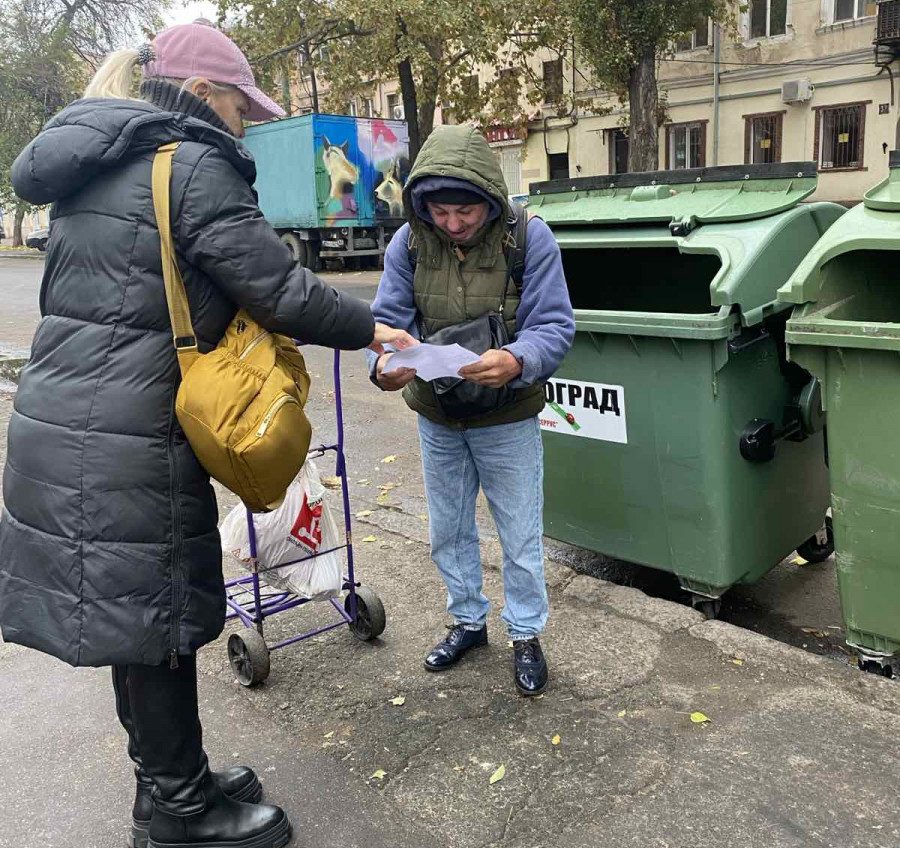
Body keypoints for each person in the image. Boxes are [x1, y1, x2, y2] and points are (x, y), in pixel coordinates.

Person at [0, 21, 413, 848]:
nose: (246, 122)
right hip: (129, 436)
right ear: (197, 95)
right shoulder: (186, 167)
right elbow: (283, 292)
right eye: (237, 103)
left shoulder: (97, 167)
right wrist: (375, 330)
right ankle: (180, 814)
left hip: (73, 423)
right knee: (154, 621)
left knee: (136, 622)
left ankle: (170, 784)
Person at [368, 124, 575, 697]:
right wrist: (389, 366)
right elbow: (389, 326)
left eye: (465, 212)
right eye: (440, 212)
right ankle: (467, 622)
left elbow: (554, 326)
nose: (453, 224)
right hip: (438, 415)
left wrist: (516, 359)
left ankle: (527, 634)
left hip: (507, 418)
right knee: (449, 530)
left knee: (520, 535)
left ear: (489, 199)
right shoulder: (407, 243)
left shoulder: (529, 238)